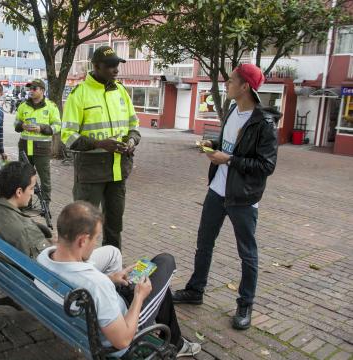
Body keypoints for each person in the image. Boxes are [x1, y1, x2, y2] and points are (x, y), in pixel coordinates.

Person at [172, 64, 280, 330]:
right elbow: (228, 147)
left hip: (243, 198)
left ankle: (245, 304)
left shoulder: (263, 124)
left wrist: (229, 159)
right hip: (217, 191)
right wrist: (214, 148)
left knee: (247, 253)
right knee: (204, 243)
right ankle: (195, 290)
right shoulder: (232, 110)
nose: (227, 85)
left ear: (245, 87)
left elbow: (266, 166)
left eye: (231, 81)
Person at [37, 201, 201, 358]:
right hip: (118, 334)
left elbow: (90, 287)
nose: (95, 244)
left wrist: (110, 279)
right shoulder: (96, 285)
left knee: (158, 286)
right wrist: (139, 298)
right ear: (83, 240)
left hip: (84, 321)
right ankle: (176, 344)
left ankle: (177, 342)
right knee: (166, 261)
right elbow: (122, 341)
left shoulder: (44, 258)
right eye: (95, 238)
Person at [61, 46, 141, 250]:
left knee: (114, 226)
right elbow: (67, 136)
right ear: (96, 66)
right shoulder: (79, 94)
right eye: (110, 66)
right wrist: (99, 144)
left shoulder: (121, 91)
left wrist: (131, 142)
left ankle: (113, 271)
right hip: (91, 173)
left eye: (117, 65)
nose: (115, 70)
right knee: (82, 226)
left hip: (118, 171)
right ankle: (77, 270)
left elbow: (134, 126)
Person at [0, 161, 51, 258]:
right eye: (32, 188)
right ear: (19, 192)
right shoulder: (26, 230)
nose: (33, 193)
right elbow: (44, 265)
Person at [14, 79, 60, 206]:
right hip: (24, 147)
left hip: (42, 148)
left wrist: (42, 128)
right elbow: (16, 123)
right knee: (24, 177)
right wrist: (21, 125)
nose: (31, 91)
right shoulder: (23, 105)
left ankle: (45, 204)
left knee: (45, 178)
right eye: (30, 88)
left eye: (34, 88)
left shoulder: (51, 106)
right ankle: (24, 203)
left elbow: (57, 126)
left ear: (42, 90)